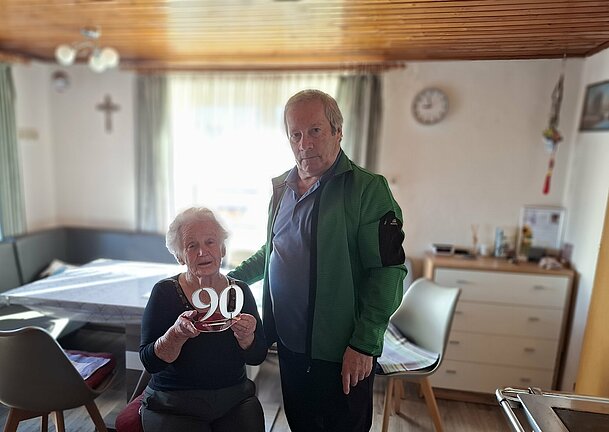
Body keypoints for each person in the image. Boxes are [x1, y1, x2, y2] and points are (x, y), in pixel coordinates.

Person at [229, 89, 407, 431]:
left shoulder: (367, 189)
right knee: (301, 424)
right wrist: (229, 281)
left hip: (341, 352)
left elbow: (387, 272)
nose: (304, 143)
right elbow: (274, 249)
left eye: (315, 131)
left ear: (338, 131)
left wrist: (364, 344)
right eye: (295, 134)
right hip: (289, 346)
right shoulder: (281, 188)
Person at [139, 207, 267, 432]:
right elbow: (150, 362)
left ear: (223, 248)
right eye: (191, 245)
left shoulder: (239, 292)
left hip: (234, 400)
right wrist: (175, 335)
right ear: (180, 256)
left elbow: (257, 356)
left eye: (210, 242)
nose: (202, 252)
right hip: (173, 403)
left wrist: (247, 337)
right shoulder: (165, 292)